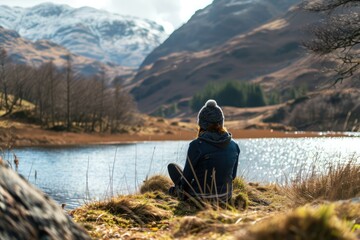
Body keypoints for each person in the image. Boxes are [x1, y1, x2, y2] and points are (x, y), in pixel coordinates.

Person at [168, 99, 240, 202]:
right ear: (221, 122)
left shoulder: (196, 145)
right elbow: (233, 176)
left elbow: (187, 179)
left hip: (199, 198)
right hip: (225, 197)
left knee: (172, 167)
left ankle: (177, 193)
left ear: (201, 124)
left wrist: (179, 188)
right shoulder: (234, 145)